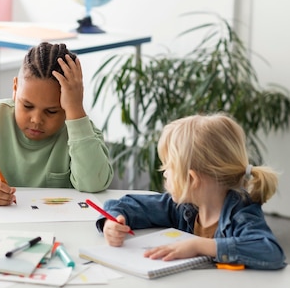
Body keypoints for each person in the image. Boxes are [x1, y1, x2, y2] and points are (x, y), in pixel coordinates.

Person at [98, 113, 286, 270]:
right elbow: (129, 205)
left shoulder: (241, 212)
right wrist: (113, 220)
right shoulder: (185, 206)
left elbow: (270, 252)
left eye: (167, 168)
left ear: (192, 179)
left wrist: (199, 245)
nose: (164, 175)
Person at [0, 42, 113, 206]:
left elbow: (94, 184)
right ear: (15, 88)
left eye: (51, 111)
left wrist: (75, 110)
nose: (36, 119)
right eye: (27, 105)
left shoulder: (82, 131)